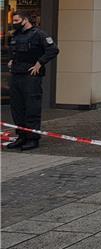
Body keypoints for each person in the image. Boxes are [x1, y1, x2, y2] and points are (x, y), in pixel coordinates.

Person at [6, 10, 59, 150]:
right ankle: (21, 136)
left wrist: (39, 63)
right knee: (17, 108)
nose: (14, 23)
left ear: (25, 20)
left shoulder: (39, 34)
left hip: (31, 77)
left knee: (31, 108)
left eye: (17, 21)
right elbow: (14, 51)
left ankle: (32, 139)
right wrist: (12, 60)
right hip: (16, 75)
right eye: (14, 20)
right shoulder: (16, 35)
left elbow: (53, 49)